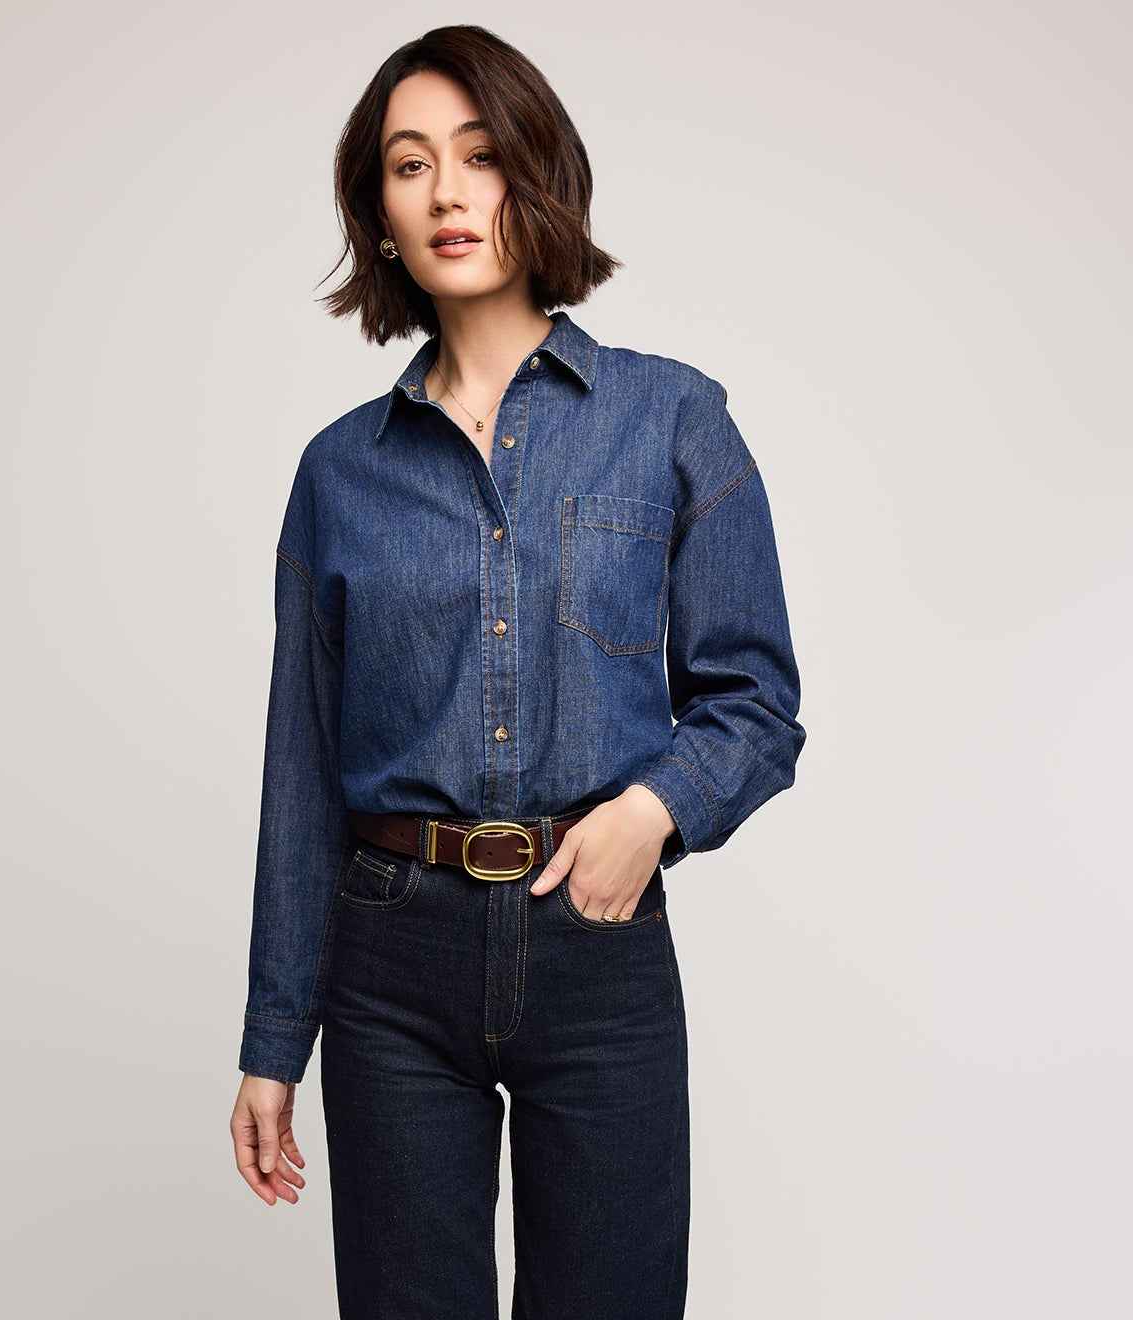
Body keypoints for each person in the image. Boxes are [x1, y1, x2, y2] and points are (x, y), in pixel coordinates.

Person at [229, 23, 806, 1320]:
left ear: (534, 172)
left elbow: (757, 703)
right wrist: (273, 1041)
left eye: (480, 155)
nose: (446, 192)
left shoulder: (673, 419)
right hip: (390, 966)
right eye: (410, 164)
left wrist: (651, 814)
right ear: (380, 216)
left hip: (597, 948)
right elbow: (300, 768)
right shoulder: (340, 471)